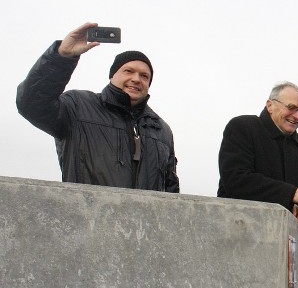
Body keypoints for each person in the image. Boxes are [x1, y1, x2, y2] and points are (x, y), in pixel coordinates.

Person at [16, 22, 179, 192]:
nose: (136, 79)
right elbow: (31, 104)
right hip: (87, 217)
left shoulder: (161, 129)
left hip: (143, 219)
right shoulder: (77, 106)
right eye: (128, 71)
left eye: (144, 76)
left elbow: (171, 189)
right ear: (112, 76)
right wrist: (61, 57)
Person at [217, 82, 298, 221]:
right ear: (270, 106)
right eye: (291, 107)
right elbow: (235, 180)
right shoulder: (242, 127)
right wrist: (292, 194)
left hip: (283, 236)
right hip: (235, 229)